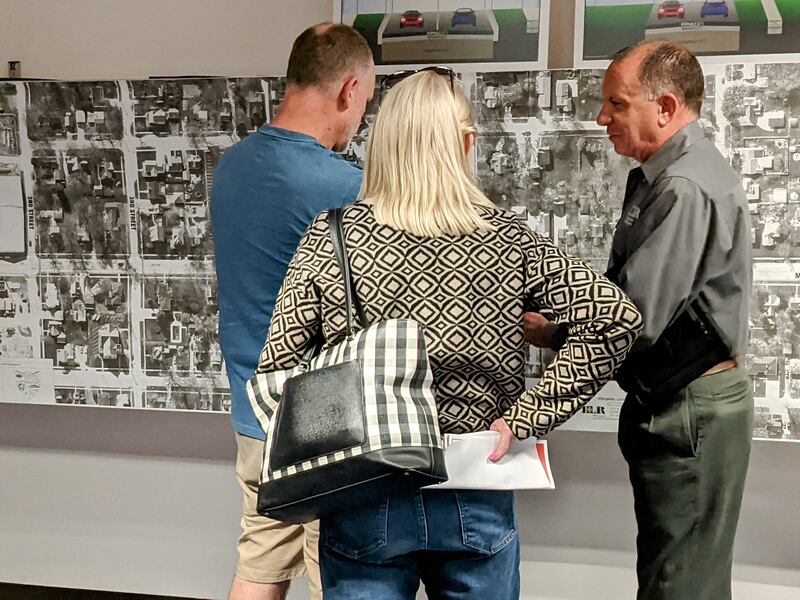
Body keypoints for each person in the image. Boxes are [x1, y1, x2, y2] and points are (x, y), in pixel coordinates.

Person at [255, 68, 642, 599]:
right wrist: (530, 415)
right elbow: (616, 318)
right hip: (475, 482)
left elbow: (278, 368)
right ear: (465, 144)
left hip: (364, 489)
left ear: (385, 144)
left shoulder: (333, 236)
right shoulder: (509, 240)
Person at [524, 41, 753, 600]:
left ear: (666, 107)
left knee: (680, 582)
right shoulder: (665, 175)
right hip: (679, 402)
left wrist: (556, 333)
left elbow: (635, 320)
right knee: (677, 571)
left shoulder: (682, 186)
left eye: (616, 104)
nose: (602, 118)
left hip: (687, 406)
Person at [210, 23, 375, 600]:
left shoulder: (231, 168)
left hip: (253, 412)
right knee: (340, 575)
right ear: (349, 91)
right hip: (326, 420)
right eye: (364, 104)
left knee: (259, 560)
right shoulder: (349, 185)